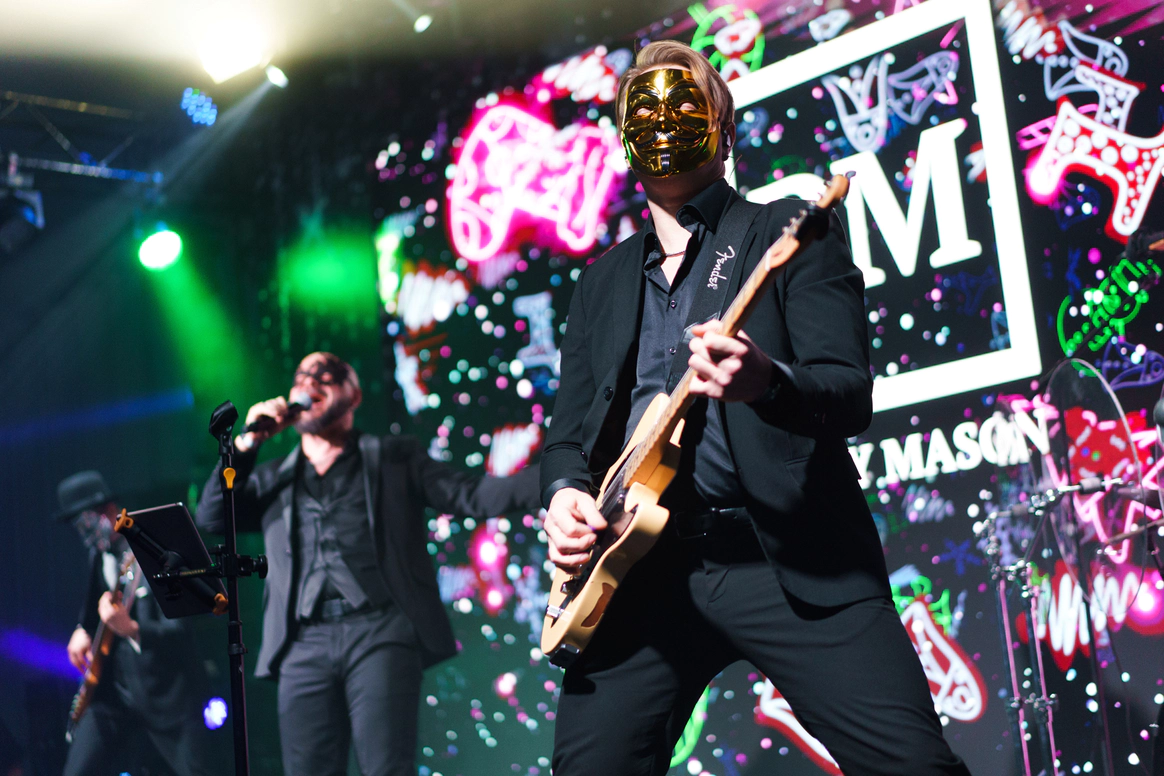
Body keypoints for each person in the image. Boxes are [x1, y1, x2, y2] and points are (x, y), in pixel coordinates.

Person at [540, 41, 971, 775]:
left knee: (913, 768)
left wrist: (766, 381)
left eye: (684, 105)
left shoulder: (788, 231)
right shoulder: (600, 283)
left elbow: (847, 395)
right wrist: (564, 496)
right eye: (644, 110)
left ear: (725, 131)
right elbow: (567, 439)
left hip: (788, 559)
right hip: (638, 573)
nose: (663, 122)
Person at [196, 352, 540, 776]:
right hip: (302, 643)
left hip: (379, 632)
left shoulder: (395, 457)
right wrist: (248, 443)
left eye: (325, 375)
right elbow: (212, 517)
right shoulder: (271, 477)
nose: (310, 382)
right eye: (301, 376)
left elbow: (474, 496)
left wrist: (561, 480)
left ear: (354, 394)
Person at [57, 471, 216, 776]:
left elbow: (183, 631)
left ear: (107, 512)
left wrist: (131, 629)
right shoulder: (98, 556)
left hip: (170, 699)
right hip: (117, 697)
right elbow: (92, 612)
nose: (84, 536)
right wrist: (81, 631)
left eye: (85, 525)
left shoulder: (155, 550)